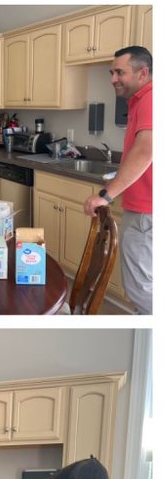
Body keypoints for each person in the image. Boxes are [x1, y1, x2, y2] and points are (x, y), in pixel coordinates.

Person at [84, 46, 152, 314]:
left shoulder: (150, 99)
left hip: (146, 212)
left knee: (140, 288)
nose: (113, 78)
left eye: (120, 72)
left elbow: (146, 150)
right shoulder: (140, 101)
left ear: (143, 72)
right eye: (112, 72)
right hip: (146, 208)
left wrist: (106, 195)